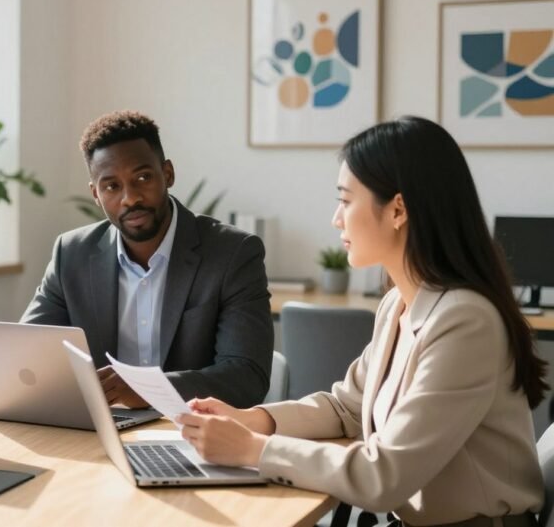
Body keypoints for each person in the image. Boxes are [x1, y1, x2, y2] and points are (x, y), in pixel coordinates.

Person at [178, 116, 546, 525]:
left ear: (398, 210)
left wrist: (253, 449)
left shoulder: (465, 322)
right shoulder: (397, 306)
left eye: (346, 200)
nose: (337, 219)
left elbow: (382, 476)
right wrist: (253, 419)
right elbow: (346, 408)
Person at [22, 110, 273, 407]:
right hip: (101, 428)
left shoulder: (232, 253)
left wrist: (148, 389)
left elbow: (247, 377)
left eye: (142, 177)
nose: (130, 198)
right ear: (95, 194)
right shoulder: (72, 254)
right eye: (111, 186)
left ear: (167, 174)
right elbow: (27, 355)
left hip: (192, 431)